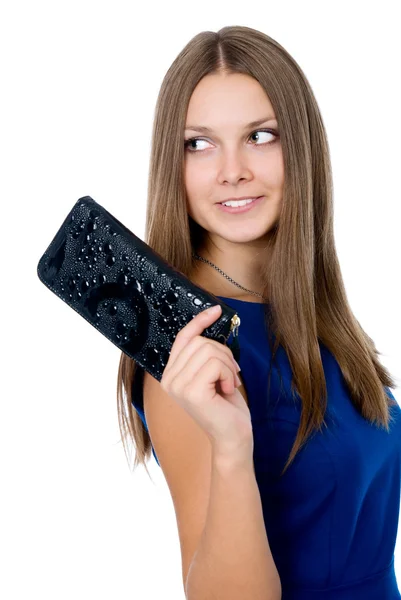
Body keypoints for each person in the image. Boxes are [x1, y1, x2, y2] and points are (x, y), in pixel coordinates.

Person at [116, 26, 401, 599]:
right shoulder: (189, 346)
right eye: (198, 143)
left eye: (260, 136)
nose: (231, 170)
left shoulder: (314, 313)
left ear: (302, 146)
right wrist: (229, 449)